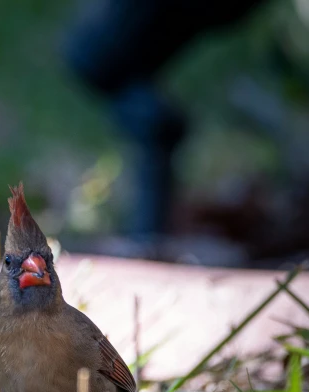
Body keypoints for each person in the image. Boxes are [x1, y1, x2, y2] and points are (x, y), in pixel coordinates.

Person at [61, 0, 267, 238]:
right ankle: (147, 238)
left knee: (156, 125)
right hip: (100, 55)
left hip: (106, 55)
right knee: (155, 125)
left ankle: (148, 237)